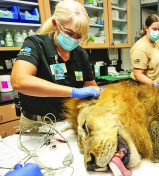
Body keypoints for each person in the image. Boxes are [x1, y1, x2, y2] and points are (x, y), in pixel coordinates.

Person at [11, 0, 101, 131]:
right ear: (55, 24)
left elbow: (90, 85)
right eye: (70, 33)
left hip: (68, 121)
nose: (74, 39)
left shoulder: (80, 54)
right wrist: (74, 92)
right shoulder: (36, 44)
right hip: (36, 125)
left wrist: (98, 94)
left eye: (79, 36)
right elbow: (19, 81)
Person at [130, 14, 159, 87]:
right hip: (144, 88)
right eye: (154, 29)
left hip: (158, 85)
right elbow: (138, 74)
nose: (157, 32)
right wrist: (155, 84)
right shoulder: (140, 48)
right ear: (146, 28)